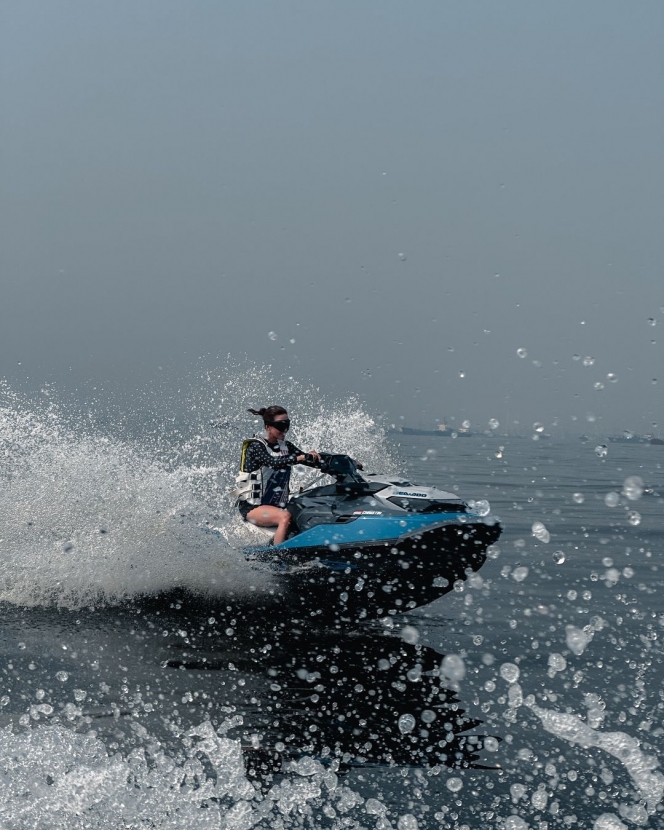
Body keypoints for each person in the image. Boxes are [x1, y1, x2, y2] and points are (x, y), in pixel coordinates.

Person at [233, 406, 321, 545]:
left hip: (275, 505)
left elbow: (310, 461)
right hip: (252, 507)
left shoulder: (286, 446)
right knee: (284, 517)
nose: (285, 429)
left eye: (287, 425)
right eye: (281, 426)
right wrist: (298, 458)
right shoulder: (255, 446)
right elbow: (272, 462)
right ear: (268, 427)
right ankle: (277, 556)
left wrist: (342, 461)